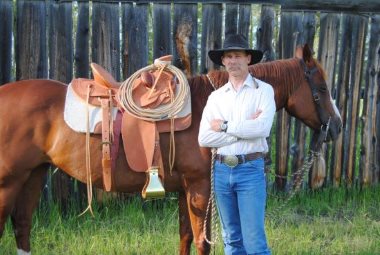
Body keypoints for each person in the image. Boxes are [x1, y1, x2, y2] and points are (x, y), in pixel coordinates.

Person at [198, 34, 275, 255]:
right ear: (223, 61)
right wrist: (243, 130)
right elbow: (204, 138)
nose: (233, 60)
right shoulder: (216, 97)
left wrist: (223, 126)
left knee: (254, 241)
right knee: (231, 239)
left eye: (238, 55)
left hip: (250, 170)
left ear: (248, 59)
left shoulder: (264, 91)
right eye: (229, 56)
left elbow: (262, 129)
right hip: (222, 170)